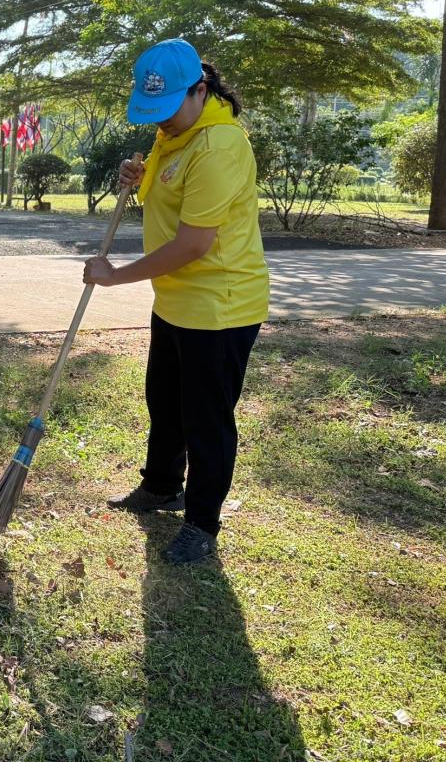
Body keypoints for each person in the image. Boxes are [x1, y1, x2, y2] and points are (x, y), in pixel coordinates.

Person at [83, 39, 269, 565]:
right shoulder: (177, 131)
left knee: (205, 418)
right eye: (153, 113)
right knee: (163, 400)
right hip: (176, 301)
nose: (159, 124)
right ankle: (162, 485)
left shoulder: (219, 146)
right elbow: (168, 190)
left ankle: (202, 523)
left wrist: (115, 276)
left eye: (167, 112)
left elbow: (192, 244)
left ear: (200, 91)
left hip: (220, 305)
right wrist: (136, 180)